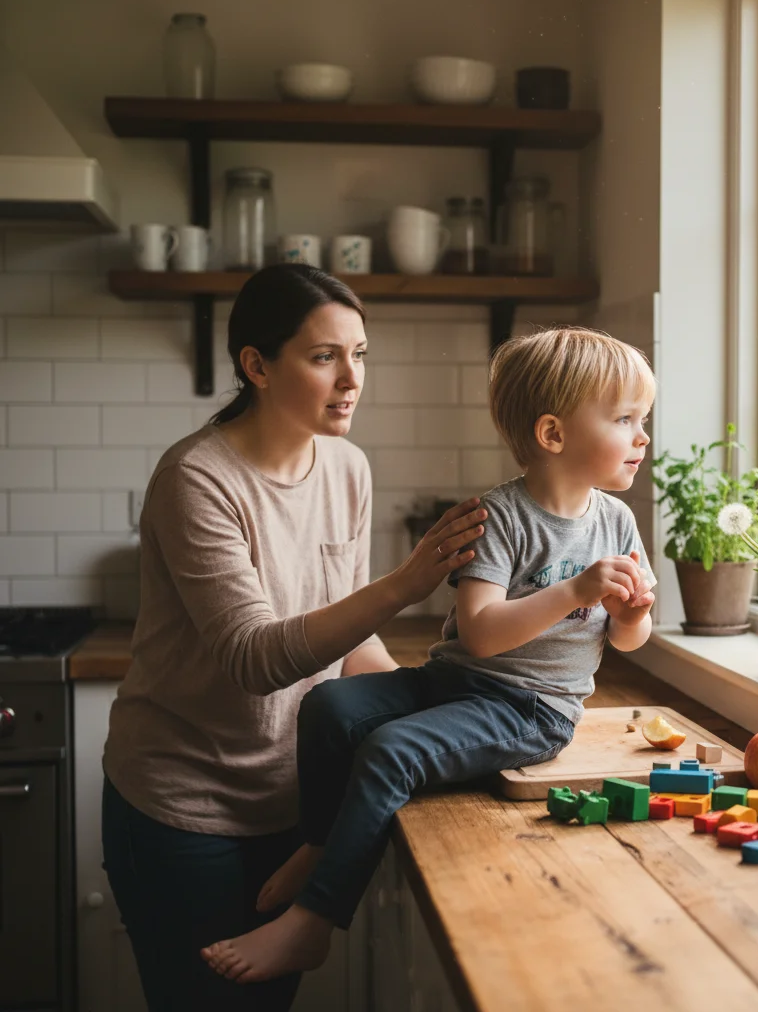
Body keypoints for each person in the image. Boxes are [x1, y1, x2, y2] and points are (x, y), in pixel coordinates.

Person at [200, 325, 658, 985]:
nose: (642, 436)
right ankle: (322, 840)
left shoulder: (616, 522)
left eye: (642, 420)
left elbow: (627, 639)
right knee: (329, 703)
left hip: (534, 711)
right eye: (625, 419)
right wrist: (578, 590)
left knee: (392, 752)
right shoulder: (498, 516)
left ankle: (314, 921)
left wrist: (632, 615)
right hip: (457, 678)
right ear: (554, 435)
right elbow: (480, 633)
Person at [101, 263, 487, 1012]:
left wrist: (445, 703)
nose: (352, 379)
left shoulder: (346, 467)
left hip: (294, 807)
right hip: (183, 814)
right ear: (257, 366)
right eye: (324, 357)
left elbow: (351, 645)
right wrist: (406, 584)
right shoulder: (196, 479)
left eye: (360, 354)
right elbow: (255, 658)